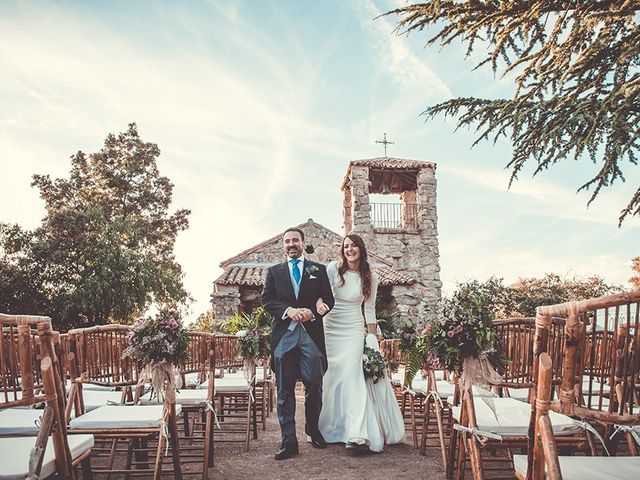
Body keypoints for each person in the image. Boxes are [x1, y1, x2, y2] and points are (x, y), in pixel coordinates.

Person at [316, 234, 405, 452]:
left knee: (352, 375)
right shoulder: (332, 269)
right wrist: (318, 303)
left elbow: (370, 308)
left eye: (353, 245)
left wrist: (371, 337)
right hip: (330, 327)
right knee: (331, 378)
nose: (349, 249)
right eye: (346, 246)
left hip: (353, 329)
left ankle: (356, 433)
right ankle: (330, 430)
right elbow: (320, 295)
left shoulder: (370, 277)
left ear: (360, 249)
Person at [261, 227, 335, 460]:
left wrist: (313, 312)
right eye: (287, 241)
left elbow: (328, 300)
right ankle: (289, 441)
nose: (291, 244)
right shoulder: (274, 272)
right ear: (283, 246)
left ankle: (313, 431)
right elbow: (267, 301)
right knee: (284, 390)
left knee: (315, 384)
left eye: (295, 240)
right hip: (284, 336)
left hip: (310, 336)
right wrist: (288, 310)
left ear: (303, 242)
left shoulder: (318, 270)